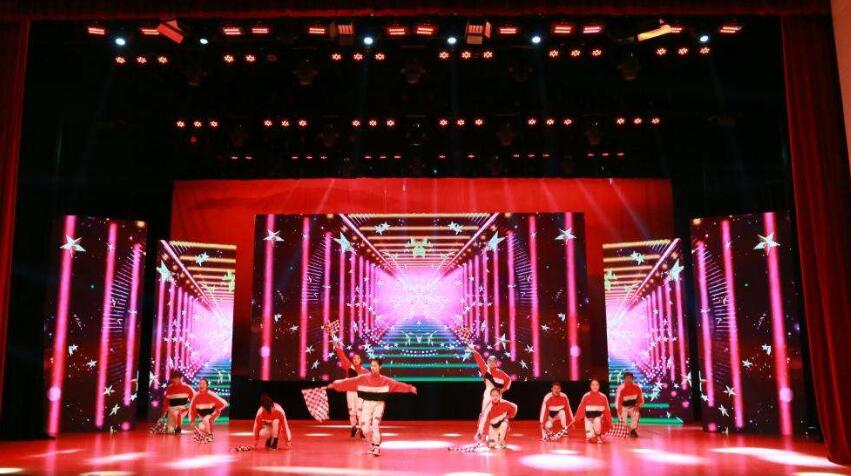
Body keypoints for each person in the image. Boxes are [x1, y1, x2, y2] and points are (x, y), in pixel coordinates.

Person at [327, 358, 417, 456]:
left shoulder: (385, 380)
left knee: (375, 425)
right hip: (366, 405)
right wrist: (334, 385)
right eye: (371, 366)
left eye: (375, 366)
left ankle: (377, 447)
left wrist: (410, 388)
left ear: (380, 367)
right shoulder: (363, 378)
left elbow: (397, 385)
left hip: (379, 405)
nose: (373, 368)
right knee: (365, 429)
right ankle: (373, 444)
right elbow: (349, 382)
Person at [469, 346, 512, 439]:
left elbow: (509, 380)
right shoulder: (485, 370)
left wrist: (503, 389)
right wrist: (474, 351)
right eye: (490, 361)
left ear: (496, 363)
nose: (492, 363)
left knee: (498, 414)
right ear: (487, 362)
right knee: (485, 413)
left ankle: (496, 434)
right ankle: (480, 433)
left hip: (498, 395)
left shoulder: (502, 374)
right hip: (488, 393)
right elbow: (479, 360)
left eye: (493, 361)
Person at [335, 341, 369, 438]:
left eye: (358, 358)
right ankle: (353, 427)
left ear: (360, 360)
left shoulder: (365, 371)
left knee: (360, 412)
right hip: (350, 393)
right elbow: (342, 356)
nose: (356, 360)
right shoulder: (349, 367)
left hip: (360, 394)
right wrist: (336, 345)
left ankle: (362, 429)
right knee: (352, 412)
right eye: (354, 358)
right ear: (352, 360)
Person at [573, 379, 613, 444]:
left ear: (599, 386)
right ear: (590, 386)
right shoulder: (586, 396)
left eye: (596, 385)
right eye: (593, 385)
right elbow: (581, 408)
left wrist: (610, 421)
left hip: (599, 418)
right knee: (590, 437)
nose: (595, 386)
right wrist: (575, 418)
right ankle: (592, 434)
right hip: (588, 418)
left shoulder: (603, 397)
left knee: (597, 421)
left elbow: (607, 410)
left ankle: (598, 435)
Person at [189, 378, 228, 442]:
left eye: (203, 384)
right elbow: (192, 410)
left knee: (206, 419)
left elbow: (224, 404)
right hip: (203, 415)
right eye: (200, 384)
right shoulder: (196, 396)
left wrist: (216, 411)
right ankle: (206, 433)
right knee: (201, 427)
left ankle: (210, 435)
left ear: (207, 385)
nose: (201, 385)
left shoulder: (211, 394)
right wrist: (192, 420)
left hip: (213, 413)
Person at [615, 372, 644, 438]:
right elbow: (617, 401)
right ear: (624, 379)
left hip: (632, 406)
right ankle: (624, 430)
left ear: (632, 379)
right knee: (623, 422)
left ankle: (632, 430)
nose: (628, 379)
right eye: (627, 378)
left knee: (636, 414)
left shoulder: (637, 387)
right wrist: (619, 410)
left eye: (630, 378)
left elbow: (641, 399)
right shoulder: (621, 388)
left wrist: (637, 406)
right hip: (623, 407)